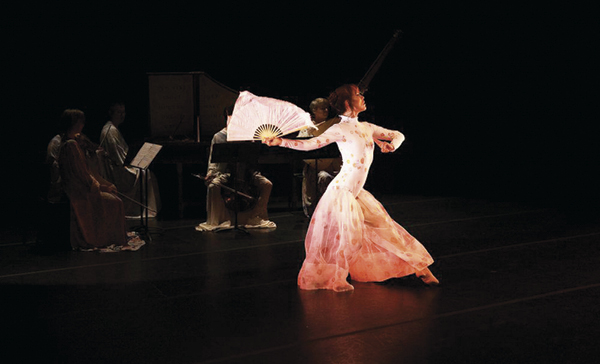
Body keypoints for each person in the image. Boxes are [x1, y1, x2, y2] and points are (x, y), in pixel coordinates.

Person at [263, 84, 438, 292]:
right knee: (346, 236)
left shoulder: (366, 127)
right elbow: (309, 144)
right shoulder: (339, 128)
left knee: (387, 228)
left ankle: (420, 268)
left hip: (357, 193)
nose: (363, 97)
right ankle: (337, 278)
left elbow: (398, 134)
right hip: (341, 192)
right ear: (347, 103)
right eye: (358, 95)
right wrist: (280, 141)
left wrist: (391, 145)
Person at [57, 109, 144, 251]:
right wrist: (102, 187)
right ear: (76, 123)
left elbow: (85, 172)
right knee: (116, 202)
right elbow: (82, 176)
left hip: (82, 188)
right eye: (80, 122)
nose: (83, 125)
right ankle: (108, 236)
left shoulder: (71, 142)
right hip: (80, 193)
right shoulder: (71, 146)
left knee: (114, 198)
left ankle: (113, 234)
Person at [195, 107, 276, 231]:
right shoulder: (219, 136)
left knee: (267, 184)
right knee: (213, 186)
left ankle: (255, 216)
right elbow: (213, 160)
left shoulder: (248, 135)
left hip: (247, 173)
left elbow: (253, 159)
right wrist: (210, 174)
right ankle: (219, 220)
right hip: (226, 173)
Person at [99, 102, 161, 217]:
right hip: (116, 171)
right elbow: (119, 157)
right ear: (111, 113)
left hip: (117, 166)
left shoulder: (113, 128)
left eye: (123, 112)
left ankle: (146, 209)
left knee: (146, 173)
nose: (122, 115)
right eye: (118, 112)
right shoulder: (110, 130)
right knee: (146, 174)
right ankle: (145, 210)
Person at [298, 98, 342, 217]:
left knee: (324, 177)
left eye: (327, 108)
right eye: (323, 108)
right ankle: (313, 214)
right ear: (314, 110)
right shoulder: (307, 126)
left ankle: (328, 211)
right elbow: (301, 144)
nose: (326, 110)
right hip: (313, 165)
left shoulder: (333, 124)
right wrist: (310, 133)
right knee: (312, 181)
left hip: (330, 165)